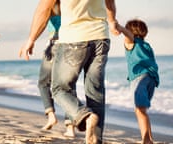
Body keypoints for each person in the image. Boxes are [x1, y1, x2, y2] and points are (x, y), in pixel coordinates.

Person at [19, 0, 120, 143]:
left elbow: (44, 8)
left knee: (59, 88)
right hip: (101, 37)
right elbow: (109, 1)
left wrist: (31, 39)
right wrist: (112, 20)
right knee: (95, 92)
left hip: (74, 37)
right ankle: (95, 140)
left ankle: (84, 115)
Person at [117, 19, 159, 144]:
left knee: (139, 110)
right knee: (142, 110)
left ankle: (146, 140)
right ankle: (149, 138)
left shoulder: (132, 43)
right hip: (151, 78)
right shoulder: (146, 45)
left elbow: (128, 35)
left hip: (139, 77)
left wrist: (118, 27)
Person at [37, 0, 75, 138]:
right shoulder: (71, 7)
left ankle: (51, 115)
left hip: (54, 46)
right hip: (71, 47)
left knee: (43, 83)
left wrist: (31, 40)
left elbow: (40, 21)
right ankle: (70, 128)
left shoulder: (50, 7)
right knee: (69, 86)